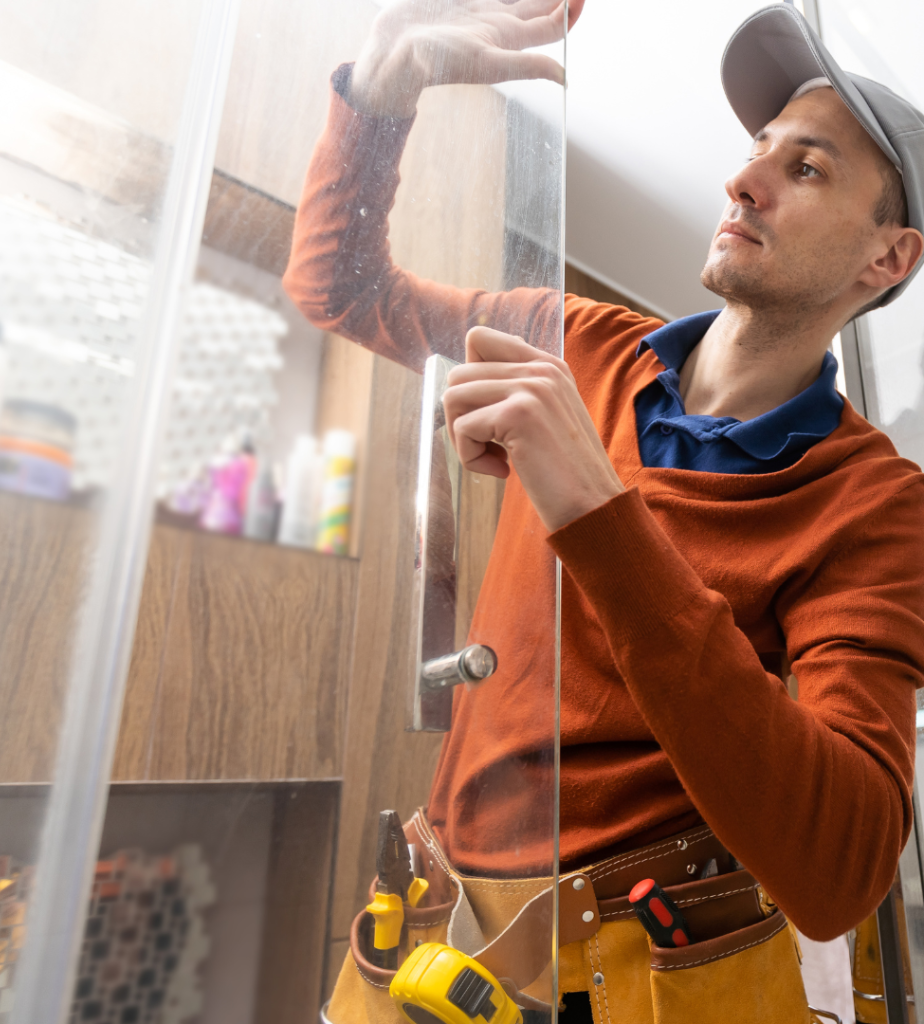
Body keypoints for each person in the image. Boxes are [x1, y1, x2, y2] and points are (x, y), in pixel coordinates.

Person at [284, 1, 924, 1018]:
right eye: (757, 147)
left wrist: (598, 505)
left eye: (805, 169)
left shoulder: (875, 498)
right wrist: (379, 97)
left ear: (886, 259)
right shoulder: (573, 338)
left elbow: (841, 867)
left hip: (650, 968)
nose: (741, 178)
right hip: (432, 929)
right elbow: (339, 288)